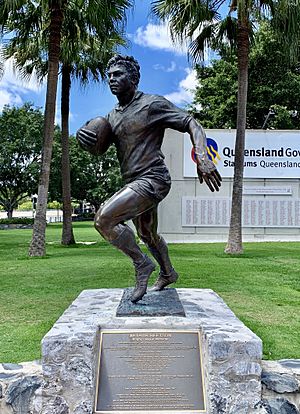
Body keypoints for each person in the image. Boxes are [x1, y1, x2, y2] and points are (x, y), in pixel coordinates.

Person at [77, 55, 221, 303]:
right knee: (147, 235)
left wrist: (203, 156)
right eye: (109, 75)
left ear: (133, 78)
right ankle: (168, 272)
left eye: (118, 74)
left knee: (104, 220)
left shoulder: (151, 104)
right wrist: (85, 138)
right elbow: (99, 145)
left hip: (153, 179)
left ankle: (142, 264)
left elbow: (190, 122)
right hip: (134, 182)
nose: (112, 79)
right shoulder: (111, 117)